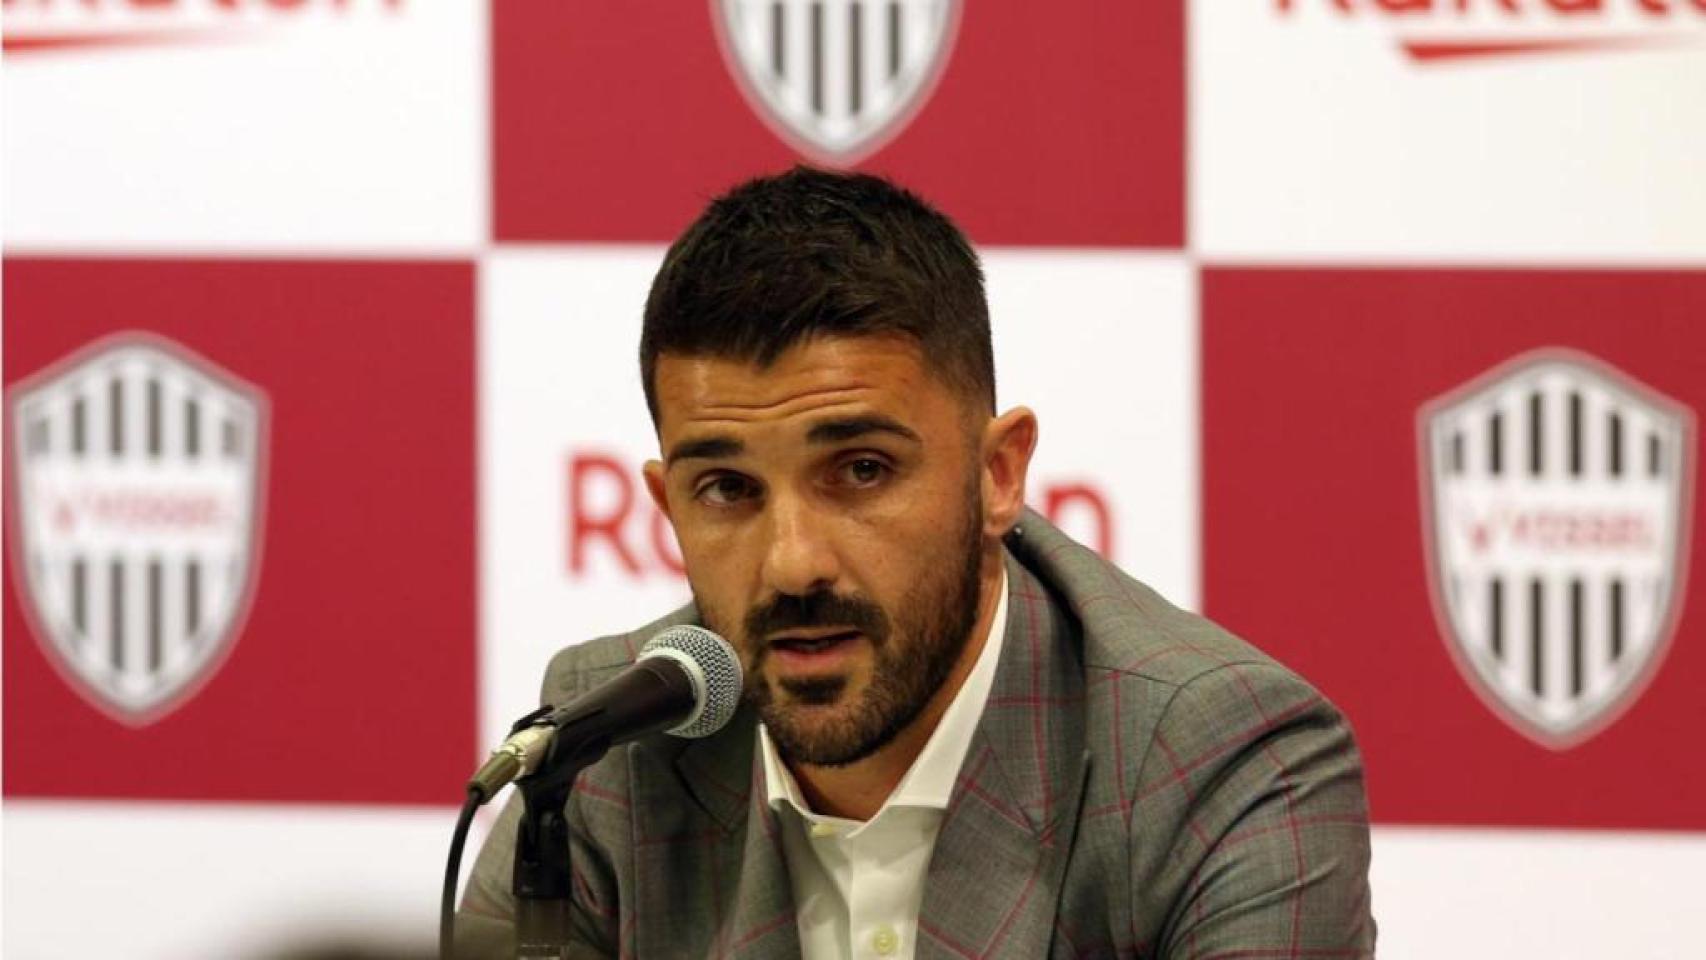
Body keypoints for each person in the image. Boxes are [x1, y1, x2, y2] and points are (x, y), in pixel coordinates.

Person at [456, 168, 1375, 958]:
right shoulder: (608, 747)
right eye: (728, 490)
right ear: (667, 507)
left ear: (997, 475)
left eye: (861, 470)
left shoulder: (1220, 762)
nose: (793, 567)